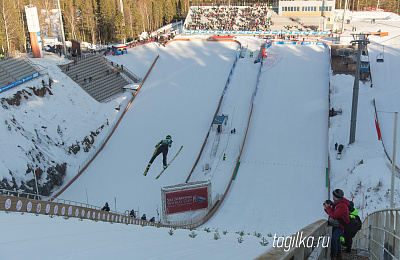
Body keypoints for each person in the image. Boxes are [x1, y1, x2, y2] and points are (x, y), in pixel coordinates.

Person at [324, 189, 350, 260]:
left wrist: (328, 207)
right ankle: (339, 255)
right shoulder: (337, 203)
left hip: (340, 226)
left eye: (333, 195)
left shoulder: (342, 206)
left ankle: (334, 256)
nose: (332, 196)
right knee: (337, 239)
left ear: (335, 196)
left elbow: (334, 216)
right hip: (336, 225)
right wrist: (327, 208)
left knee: (334, 238)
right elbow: (332, 213)